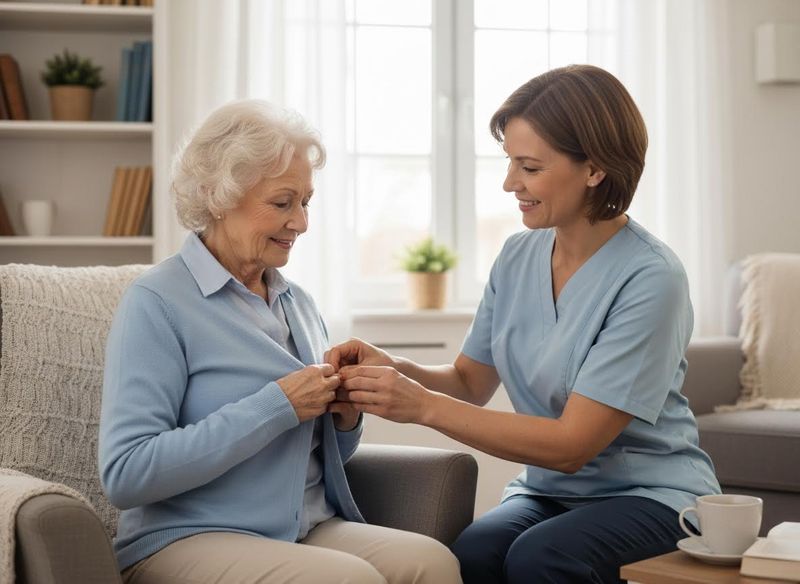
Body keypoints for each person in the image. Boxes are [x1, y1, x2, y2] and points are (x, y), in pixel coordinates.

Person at [326, 65, 721, 584]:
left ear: (595, 169)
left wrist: (420, 407)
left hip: (651, 495)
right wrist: (393, 368)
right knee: (471, 556)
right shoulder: (517, 255)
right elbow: (470, 382)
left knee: (542, 557)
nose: (510, 183)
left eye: (529, 167)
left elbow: (571, 446)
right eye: (510, 162)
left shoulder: (651, 277)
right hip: (548, 491)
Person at [98, 99, 461, 584]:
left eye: (306, 202)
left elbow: (314, 454)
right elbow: (127, 474)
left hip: (303, 526)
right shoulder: (157, 302)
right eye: (282, 202)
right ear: (218, 197)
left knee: (433, 564)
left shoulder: (298, 303)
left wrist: (344, 417)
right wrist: (277, 405)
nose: (301, 222)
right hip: (188, 536)